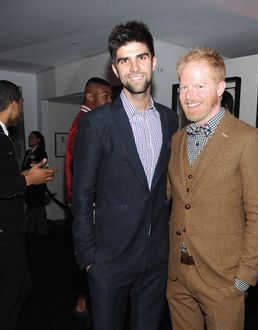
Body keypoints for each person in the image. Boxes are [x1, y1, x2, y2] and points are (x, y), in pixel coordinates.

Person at [71, 21, 178, 330]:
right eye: (124, 60)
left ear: (154, 62)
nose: (134, 67)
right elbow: (81, 195)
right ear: (115, 70)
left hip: (156, 258)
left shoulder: (170, 119)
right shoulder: (98, 124)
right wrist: (89, 259)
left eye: (141, 57)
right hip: (109, 260)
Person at [166, 47, 258, 330]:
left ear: (220, 88)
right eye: (184, 86)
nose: (189, 95)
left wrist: (244, 277)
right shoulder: (177, 140)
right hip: (177, 274)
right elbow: (170, 197)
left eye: (200, 85)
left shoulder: (246, 139)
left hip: (223, 279)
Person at [0, 80, 57, 330]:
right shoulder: (1, 140)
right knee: (13, 292)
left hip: (9, 229)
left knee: (21, 286)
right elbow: (4, 186)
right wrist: (29, 179)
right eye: (21, 105)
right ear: (13, 105)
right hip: (5, 231)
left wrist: (25, 175)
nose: (21, 111)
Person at [65, 77, 112, 317]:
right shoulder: (87, 122)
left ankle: (85, 297)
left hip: (83, 201)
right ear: (90, 97)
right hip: (89, 204)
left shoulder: (84, 121)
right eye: (105, 96)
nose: (110, 102)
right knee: (88, 253)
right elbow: (83, 169)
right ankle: (86, 298)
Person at [22, 131, 48, 235]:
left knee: (39, 206)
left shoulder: (41, 152)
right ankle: (31, 227)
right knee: (30, 204)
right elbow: (24, 167)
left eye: (32, 138)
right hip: (28, 182)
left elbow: (40, 167)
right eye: (29, 137)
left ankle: (42, 230)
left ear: (38, 140)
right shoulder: (28, 152)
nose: (30, 139)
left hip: (38, 184)